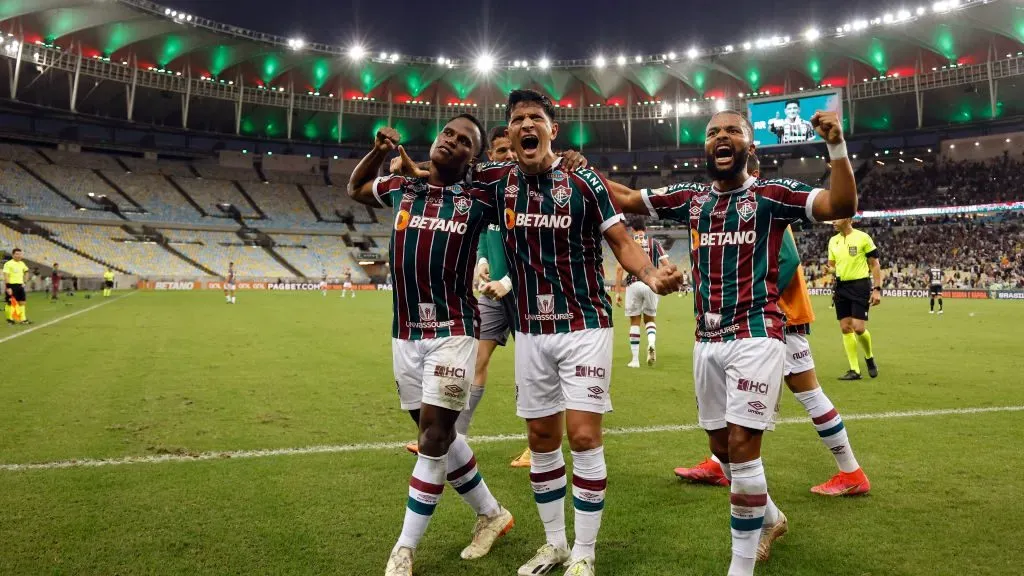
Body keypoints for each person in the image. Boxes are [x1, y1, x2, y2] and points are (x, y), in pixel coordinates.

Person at [606, 108, 857, 575]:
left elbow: (840, 205)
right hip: (707, 339)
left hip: (757, 333)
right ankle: (773, 518)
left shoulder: (772, 194)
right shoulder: (692, 199)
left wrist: (836, 147)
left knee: (743, 447)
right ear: (705, 147)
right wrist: (573, 172)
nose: (721, 137)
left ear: (750, 145)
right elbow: (622, 196)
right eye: (712, 132)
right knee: (722, 449)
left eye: (732, 131)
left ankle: (740, 567)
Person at [470, 89, 682, 576]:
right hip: (531, 330)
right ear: (509, 134)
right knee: (541, 437)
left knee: (583, 437)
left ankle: (585, 552)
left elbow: (621, 241)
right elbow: (441, 191)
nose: (528, 124)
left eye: (536, 118)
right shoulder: (498, 184)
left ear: (551, 129)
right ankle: (555, 545)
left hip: (584, 324)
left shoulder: (584, 181)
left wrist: (649, 275)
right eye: (518, 119)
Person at [348, 116, 514, 576]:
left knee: (434, 439)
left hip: (454, 331)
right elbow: (356, 188)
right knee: (441, 435)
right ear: (437, 139)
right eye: (449, 135)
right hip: (405, 333)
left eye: (465, 142)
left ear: (472, 158)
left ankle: (404, 550)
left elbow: (522, 187)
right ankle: (492, 513)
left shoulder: (478, 199)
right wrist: (381, 149)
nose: (453, 143)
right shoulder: (404, 185)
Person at [674, 155, 871, 502]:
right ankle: (722, 462)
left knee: (808, 391)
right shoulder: (743, 206)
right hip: (770, 315)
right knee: (757, 392)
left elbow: (790, 259)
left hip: (776, 314)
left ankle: (851, 471)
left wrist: (756, 298)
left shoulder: (769, 205)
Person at [402, 125, 536, 468]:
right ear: (490, 156)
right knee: (475, 360)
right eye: (501, 151)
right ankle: (454, 437)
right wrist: (480, 260)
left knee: (531, 369)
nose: (508, 155)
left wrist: (510, 280)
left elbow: (538, 248)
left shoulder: (529, 192)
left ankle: (537, 446)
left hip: (529, 290)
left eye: (513, 149)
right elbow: (478, 230)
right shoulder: (483, 190)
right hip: (493, 291)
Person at [827, 218, 882, 380]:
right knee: (845, 327)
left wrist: (877, 289)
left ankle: (869, 357)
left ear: (848, 219)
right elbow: (832, 266)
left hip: (860, 285)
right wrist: (830, 270)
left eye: (836, 218)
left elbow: (875, 264)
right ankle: (854, 370)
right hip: (841, 287)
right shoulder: (833, 241)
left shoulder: (863, 237)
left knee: (858, 328)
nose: (833, 222)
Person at [615, 217, 670, 367]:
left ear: (632, 229)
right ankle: (651, 344)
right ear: (645, 229)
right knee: (650, 320)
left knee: (634, 321)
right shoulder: (655, 243)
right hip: (651, 285)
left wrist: (618, 292)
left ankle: (635, 360)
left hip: (633, 284)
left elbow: (620, 268)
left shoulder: (629, 244)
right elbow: (666, 265)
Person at [4, 248, 30, 325]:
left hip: (20, 285)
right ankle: (10, 319)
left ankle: (23, 319)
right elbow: (6, 276)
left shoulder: (22, 263)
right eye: (17, 254)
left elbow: (27, 271)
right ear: (13, 255)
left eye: (20, 254)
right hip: (11, 285)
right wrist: (8, 287)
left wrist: (25, 282)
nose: (19, 256)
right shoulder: (8, 264)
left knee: (22, 302)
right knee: (10, 303)